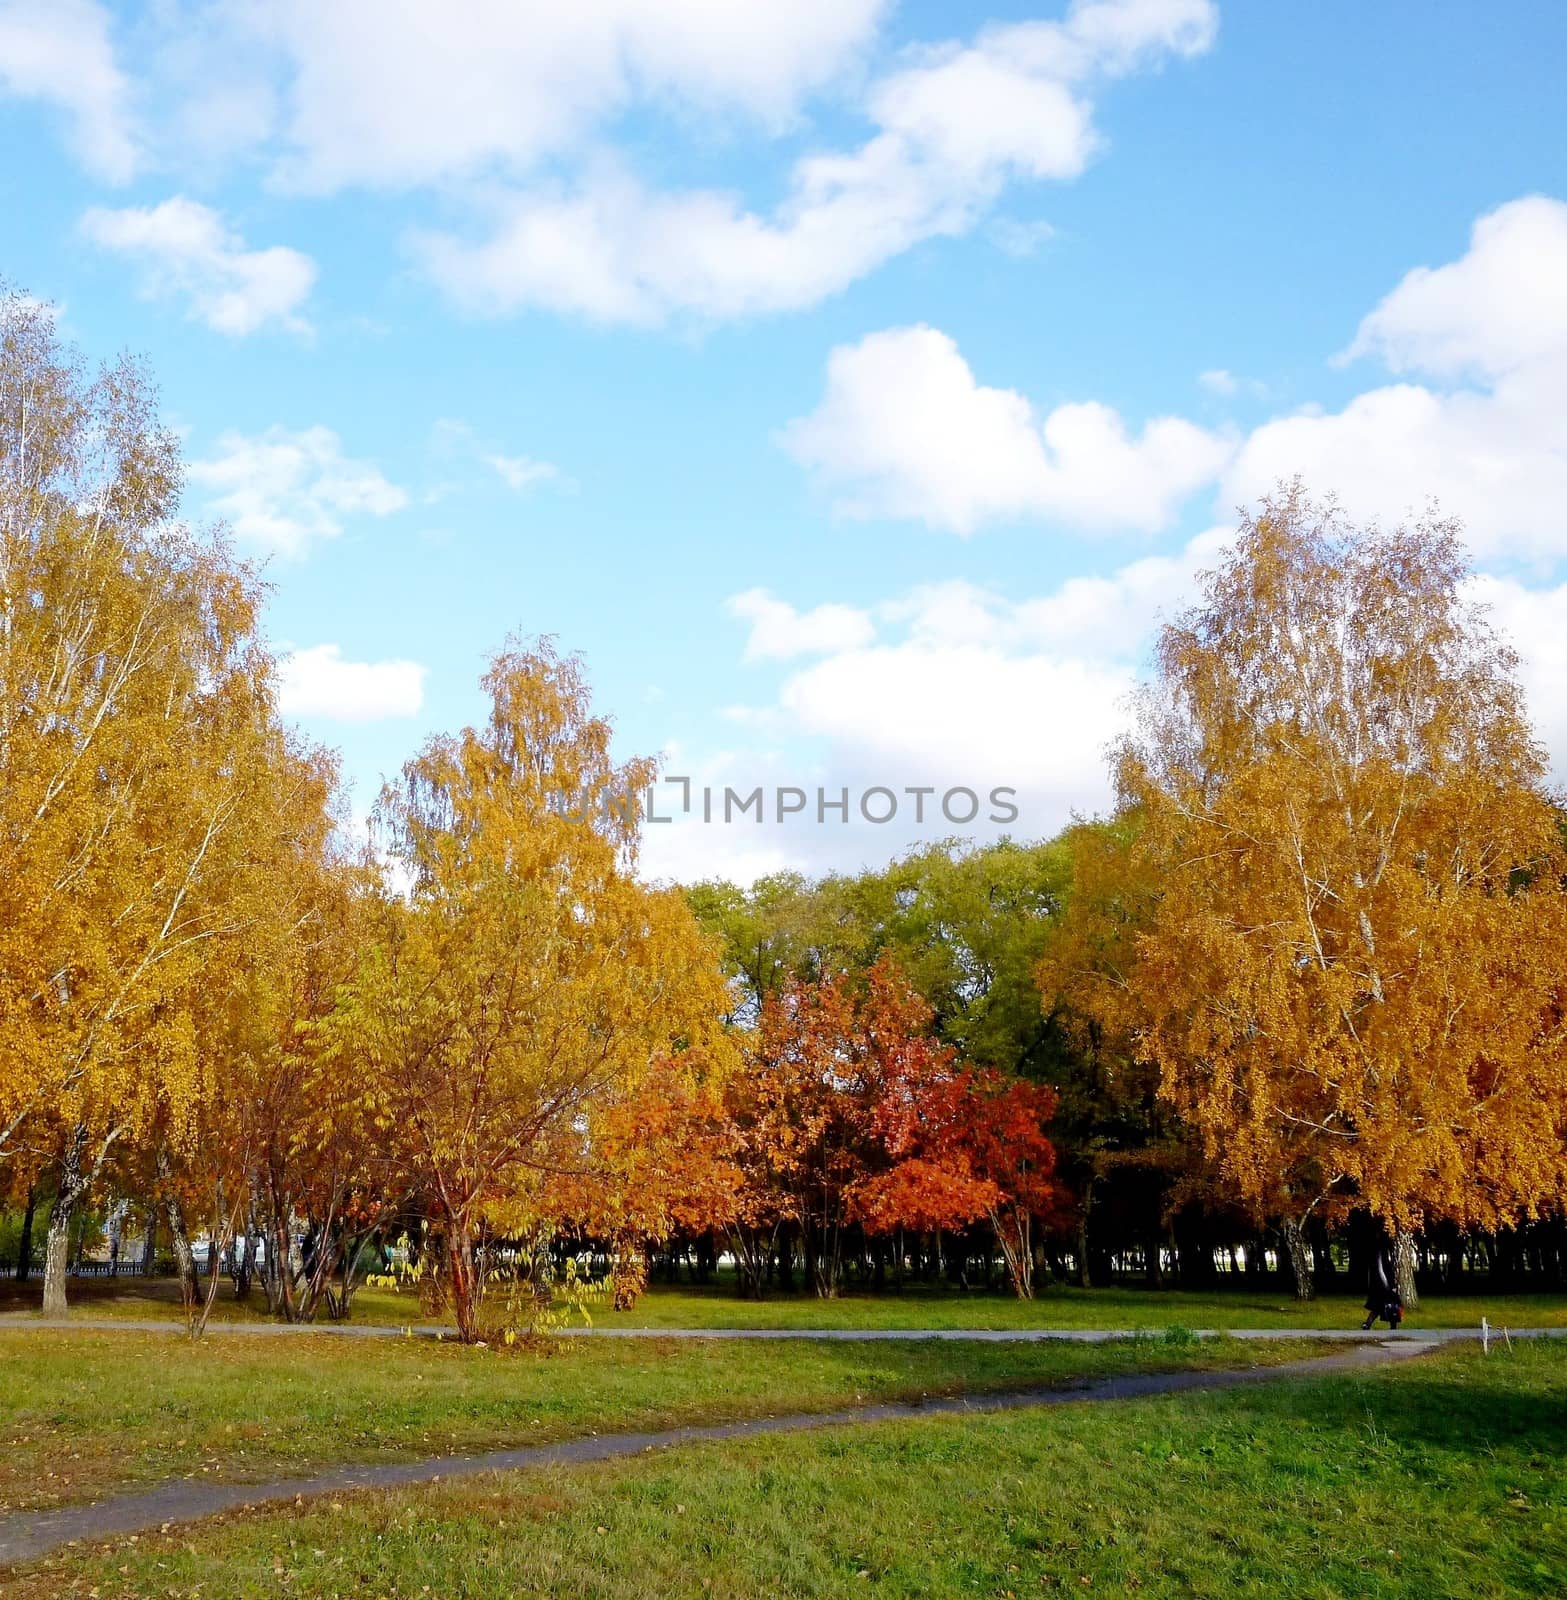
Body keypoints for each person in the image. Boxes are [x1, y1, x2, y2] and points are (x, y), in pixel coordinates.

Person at [1362, 1234, 1403, 1330]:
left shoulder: (1375, 1255)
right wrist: (1391, 1285)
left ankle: (1368, 1324)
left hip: (1377, 1286)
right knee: (1391, 1305)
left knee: (1377, 1306)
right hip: (1384, 1285)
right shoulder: (1382, 1255)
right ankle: (1392, 1326)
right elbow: (1384, 1271)